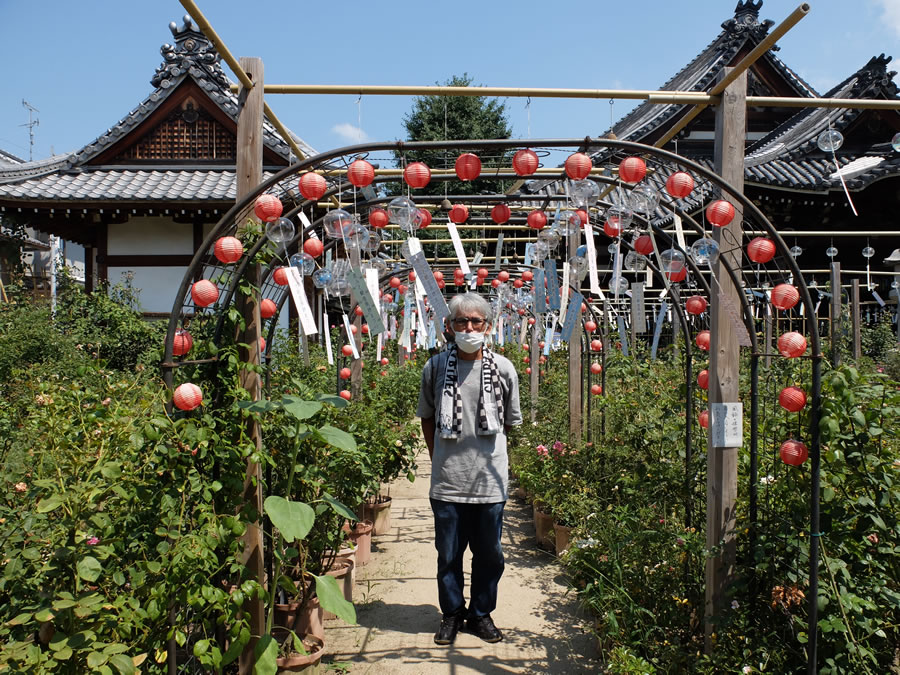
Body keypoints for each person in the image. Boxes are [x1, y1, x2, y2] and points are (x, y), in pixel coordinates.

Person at [417, 292, 522, 645]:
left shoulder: (505, 369)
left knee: (489, 554)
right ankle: (451, 614)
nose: (469, 327)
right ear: (449, 327)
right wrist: (440, 459)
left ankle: (480, 613)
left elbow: (507, 422)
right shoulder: (433, 368)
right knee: (448, 555)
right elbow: (428, 418)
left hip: (490, 482)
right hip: (448, 482)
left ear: (488, 327)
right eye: (461, 321)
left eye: (476, 321)